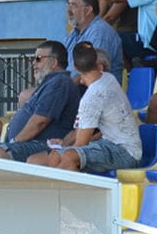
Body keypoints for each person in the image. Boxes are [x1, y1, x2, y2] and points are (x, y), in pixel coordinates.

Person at [28, 43, 141, 173]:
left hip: (126, 153)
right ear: (97, 64)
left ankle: (61, 191)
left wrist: (65, 149)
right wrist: (64, 143)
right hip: (109, 144)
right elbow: (80, 132)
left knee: (69, 156)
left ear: (75, 67)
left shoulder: (92, 97)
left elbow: (80, 144)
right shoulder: (109, 78)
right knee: (54, 156)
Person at [0, 40, 79, 162]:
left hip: (43, 145)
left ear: (53, 62)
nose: (33, 64)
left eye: (38, 59)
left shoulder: (60, 83)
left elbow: (40, 121)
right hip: (27, 143)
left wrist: (15, 141)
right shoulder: (50, 83)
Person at [63, 0, 123, 83]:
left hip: (94, 90)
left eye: (73, 5)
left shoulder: (100, 32)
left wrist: (66, 88)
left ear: (88, 10)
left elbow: (92, 70)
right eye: (68, 5)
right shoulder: (74, 33)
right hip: (75, 89)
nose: (68, 10)